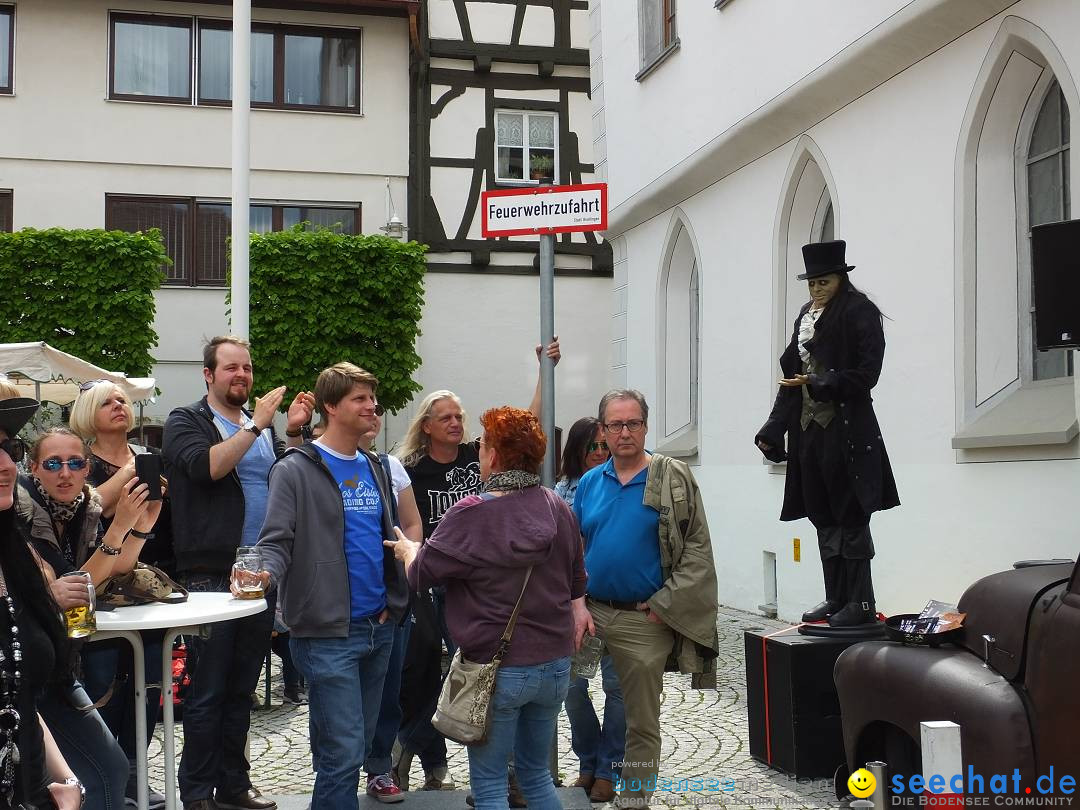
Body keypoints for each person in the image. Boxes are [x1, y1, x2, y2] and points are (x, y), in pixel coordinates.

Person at [385, 406, 590, 810]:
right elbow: (577, 579)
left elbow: (420, 576)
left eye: (482, 447)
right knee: (536, 778)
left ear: (494, 456)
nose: (478, 453)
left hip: (498, 670)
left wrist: (410, 550)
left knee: (492, 787)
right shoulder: (555, 505)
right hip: (553, 665)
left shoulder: (471, 512)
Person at [162, 335, 313, 810]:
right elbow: (206, 468)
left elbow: (278, 484)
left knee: (241, 690)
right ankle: (196, 792)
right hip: (209, 573)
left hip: (256, 575)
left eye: (246, 368)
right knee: (207, 692)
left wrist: (288, 434)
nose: (241, 376)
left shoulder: (258, 427)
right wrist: (257, 427)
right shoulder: (186, 420)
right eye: (230, 368)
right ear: (208, 375)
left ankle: (233, 786)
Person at [251, 362, 408, 810]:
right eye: (360, 398)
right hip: (325, 633)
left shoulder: (377, 465)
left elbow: (387, 535)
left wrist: (393, 602)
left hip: (378, 626)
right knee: (343, 753)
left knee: (345, 750)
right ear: (331, 406)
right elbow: (275, 541)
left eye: (371, 398)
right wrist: (263, 574)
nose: (371, 406)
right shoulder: (295, 468)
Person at [574, 389, 719, 809]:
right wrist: (575, 602)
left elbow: (696, 549)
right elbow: (575, 547)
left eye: (633, 423)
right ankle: (582, 768)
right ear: (602, 432)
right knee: (564, 688)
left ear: (645, 426)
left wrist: (664, 604)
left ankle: (634, 796)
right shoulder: (589, 482)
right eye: (616, 425)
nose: (625, 432)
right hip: (591, 612)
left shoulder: (670, 478)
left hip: (643, 619)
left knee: (640, 718)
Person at [755, 240, 899, 627]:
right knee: (823, 514)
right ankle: (835, 598)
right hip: (808, 433)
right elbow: (792, 381)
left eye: (824, 282)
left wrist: (820, 381)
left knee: (851, 514)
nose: (817, 289)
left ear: (841, 279)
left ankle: (861, 603)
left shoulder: (859, 311)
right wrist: (773, 429)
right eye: (812, 283)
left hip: (847, 431)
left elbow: (868, 375)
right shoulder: (805, 315)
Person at [69, 379, 170, 808]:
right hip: (94, 586)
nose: (119, 406)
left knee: (149, 683)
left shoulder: (145, 459)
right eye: (107, 401)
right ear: (88, 412)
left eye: (123, 401)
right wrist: (131, 475)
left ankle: (134, 775)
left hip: (138, 586)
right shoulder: (79, 463)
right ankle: (102, 778)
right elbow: (84, 506)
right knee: (102, 684)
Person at [0, 397, 87, 810]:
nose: (5, 466)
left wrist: (67, 780)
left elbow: (19, 698)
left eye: (9, 450)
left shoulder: (12, 559)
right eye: (52, 464)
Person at [554, 417, 624, 804]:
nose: (602, 452)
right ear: (577, 451)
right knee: (571, 688)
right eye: (594, 447)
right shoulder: (561, 491)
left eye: (605, 445)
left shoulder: (621, 481)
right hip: (574, 603)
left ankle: (608, 769)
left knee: (617, 689)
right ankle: (588, 760)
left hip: (615, 602)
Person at [362, 405, 423, 804]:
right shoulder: (313, 461)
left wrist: (400, 585)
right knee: (340, 697)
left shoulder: (389, 466)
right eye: (361, 401)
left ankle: (379, 767)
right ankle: (334, 772)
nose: (372, 412)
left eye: (376, 406)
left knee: (387, 691)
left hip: (390, 600)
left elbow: (413, 526)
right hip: (340, 604)